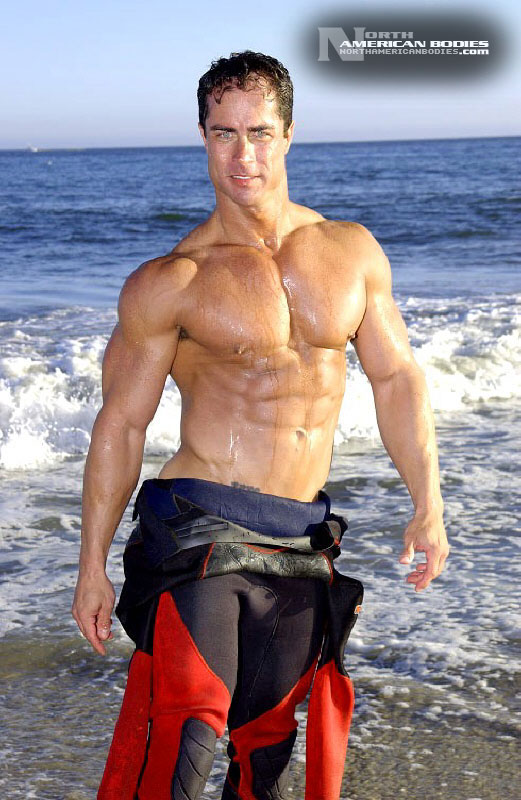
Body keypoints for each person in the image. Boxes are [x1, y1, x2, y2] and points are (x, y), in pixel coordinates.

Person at [72, 51, 449, 800]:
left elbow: (396, 379)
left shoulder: (350, 252)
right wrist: (91, 565)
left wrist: (427, 502)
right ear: (203, 138)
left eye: (259, 132)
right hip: (199, 527)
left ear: (288, 134)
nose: (242, 155)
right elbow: (121, 424)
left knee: (267, 758)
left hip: (300, 537)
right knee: (189, 727)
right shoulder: (172, 280)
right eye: (223, 134)